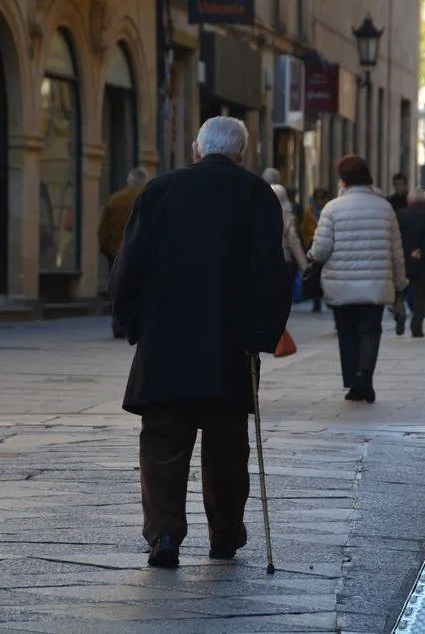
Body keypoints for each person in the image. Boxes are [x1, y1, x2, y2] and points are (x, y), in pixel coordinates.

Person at [111, 117, 291, 569]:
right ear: (242, 153)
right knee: (227, 447)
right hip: (228, 347)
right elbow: (270, 273)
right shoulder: (256, 196)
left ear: (196, 148)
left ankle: (165, 536)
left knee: (162, 444)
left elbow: (127, 265)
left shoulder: (158, 191)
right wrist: (260, 335)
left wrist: (133, 324)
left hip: (165, 344)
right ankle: (225, 534)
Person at [309, 155, 407, 403]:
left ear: (343, 179)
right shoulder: (385, 208)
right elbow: (396, 251)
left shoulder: (332, 208)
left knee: (347, 332)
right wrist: (400, 282)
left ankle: (353, 382)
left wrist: (310, 256)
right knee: (371, 330)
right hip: (375, 283)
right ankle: (366, 375)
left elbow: (321, 250)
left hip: (340, 283)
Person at [97, 167, 148, 338]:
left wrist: (106, 249)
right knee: (141, 288)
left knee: (118, 288)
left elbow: (102, 231)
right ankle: (136, 323)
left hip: (116, 251)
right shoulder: (149, 197)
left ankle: (118, 323)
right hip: (141, 251)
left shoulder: (114, 200)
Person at [396, 188, 425, 337]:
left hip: (402, 260)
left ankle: (400, 313)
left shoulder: (400, 215)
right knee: (421, 294)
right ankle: (417, 323)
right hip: (422, 261)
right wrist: (422, 250)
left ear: (409, 200)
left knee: (399, 292)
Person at [301, 188, 334, 313]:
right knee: (315, 273)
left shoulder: (330, 211)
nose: (320, 201)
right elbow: (303, 229)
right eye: (318, 198)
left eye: (322, 197)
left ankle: (325, 296)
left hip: (327, 246)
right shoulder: (309, 212)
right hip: (313, 245)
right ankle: (316, 301)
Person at [272, 182, 309, 282]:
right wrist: (304, 267)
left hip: (264, 262)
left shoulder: (258, 215)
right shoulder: (287, 218)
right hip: (284, 261)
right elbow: (294, 244)